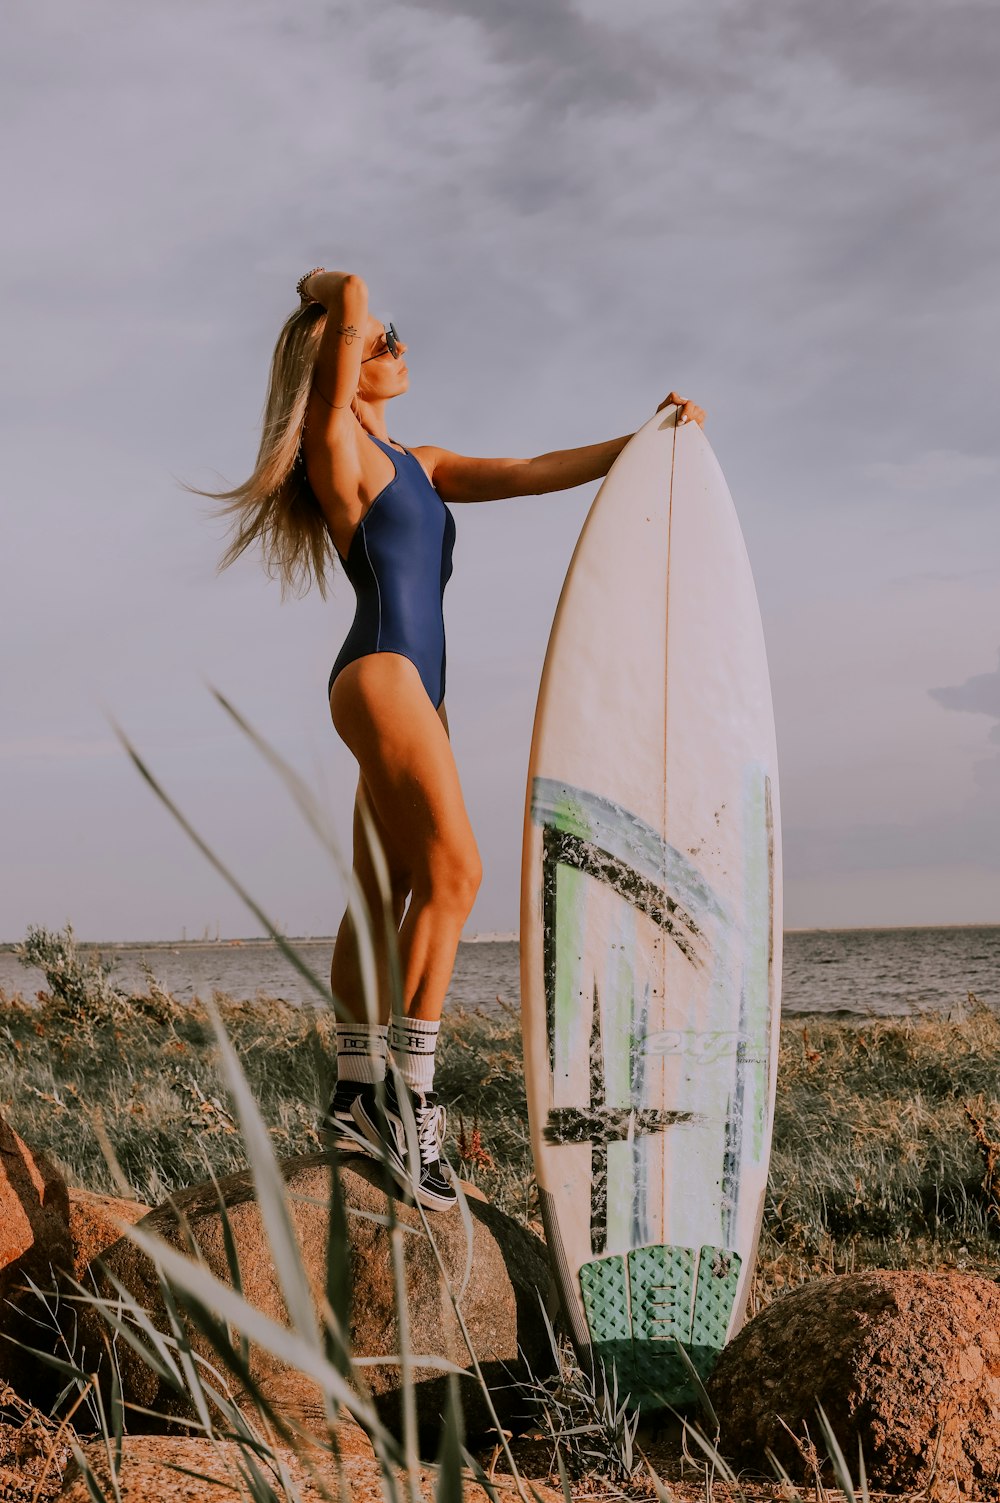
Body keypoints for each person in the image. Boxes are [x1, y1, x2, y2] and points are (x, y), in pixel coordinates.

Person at [210, 265, 705, 1212]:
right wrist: (329, 288)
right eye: (377, 339)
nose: (393, 343)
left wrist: (644, 440)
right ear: (342, 366)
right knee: (458, 877)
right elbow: (349, 295)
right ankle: (411, 1101)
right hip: (385, 670)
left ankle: (357, 1091)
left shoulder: (421, 463)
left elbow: (525, 475)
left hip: (412, 691)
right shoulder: (335, 445)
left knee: (385, 887)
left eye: (391, 335)